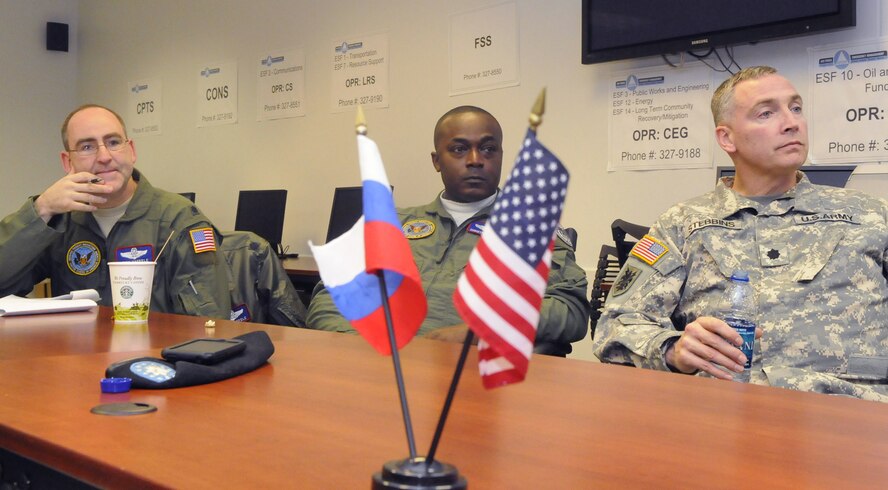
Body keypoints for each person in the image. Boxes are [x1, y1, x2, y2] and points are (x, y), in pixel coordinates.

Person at [592, 66, 888, 401]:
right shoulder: (683, 225)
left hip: (854, 418)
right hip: (724, 418)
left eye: (796, 108)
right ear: (726, 138)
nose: (792, 122)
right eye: (766, 113)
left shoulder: (871, 214)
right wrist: (673, 350)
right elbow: (613, 328)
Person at [307, 106, 591, 355]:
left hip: (465, 378)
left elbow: (571, 310)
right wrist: (355, 347)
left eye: (489, 148)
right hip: (372, 371)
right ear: (436, 160)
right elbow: (331, 294)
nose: (475, 159)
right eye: (459, 149)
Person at [0, 104, 231, 318]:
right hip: (72, 357)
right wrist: (42, 208)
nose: (104, 157)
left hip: (153, 359)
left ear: (131, 150)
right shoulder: (60, 221)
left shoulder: (179, 221)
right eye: (87, 147)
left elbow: (208, 324)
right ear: (67, 162)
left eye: (113, 142)